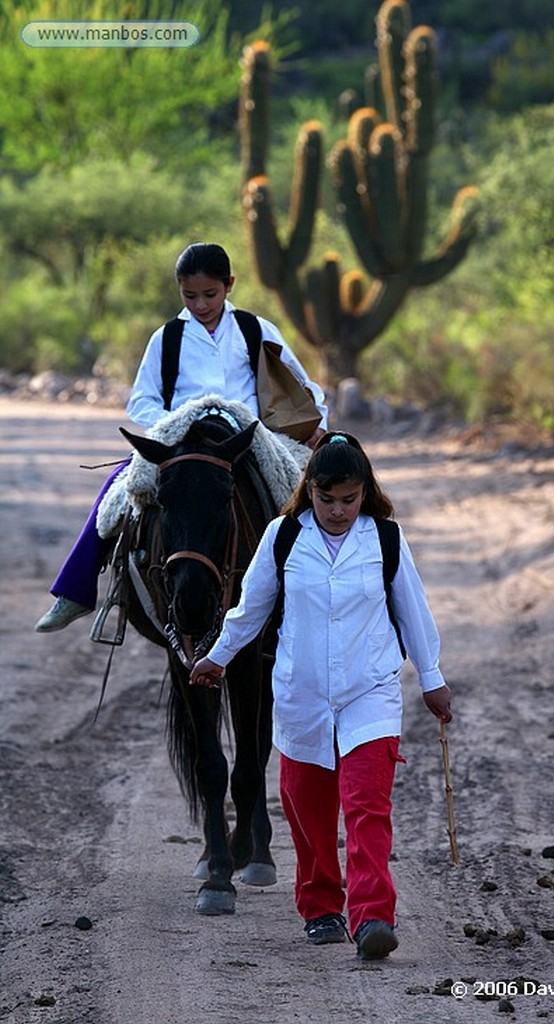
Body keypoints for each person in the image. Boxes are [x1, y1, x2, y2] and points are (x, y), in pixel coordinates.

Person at [190, 431, 452, 961]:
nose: (337, 510)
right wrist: (218, 656)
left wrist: (432, 678)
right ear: (308, 490)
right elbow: (252, 607)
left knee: (366, 808)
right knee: (308, 815)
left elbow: (413, 613)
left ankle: (374, 915)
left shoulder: (385, 539)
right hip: (302, 695)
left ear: (365, 492)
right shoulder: (282, 537)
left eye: (349, 499)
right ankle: (320, 908)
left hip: (369, 694)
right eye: (326, 498)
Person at [35, 242, 327, 632]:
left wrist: (318, 421)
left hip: (246, 436)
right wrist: (176, 427)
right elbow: (141, 401)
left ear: (229, 286)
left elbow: (301, 383)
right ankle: (76, 591)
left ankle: (320, 593)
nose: (201, 304)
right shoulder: (168, 338)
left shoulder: (255, 329)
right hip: (182, 437)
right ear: (179, 290)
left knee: (302, 491)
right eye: (190, 296)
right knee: (119, 489)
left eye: (210, 294)